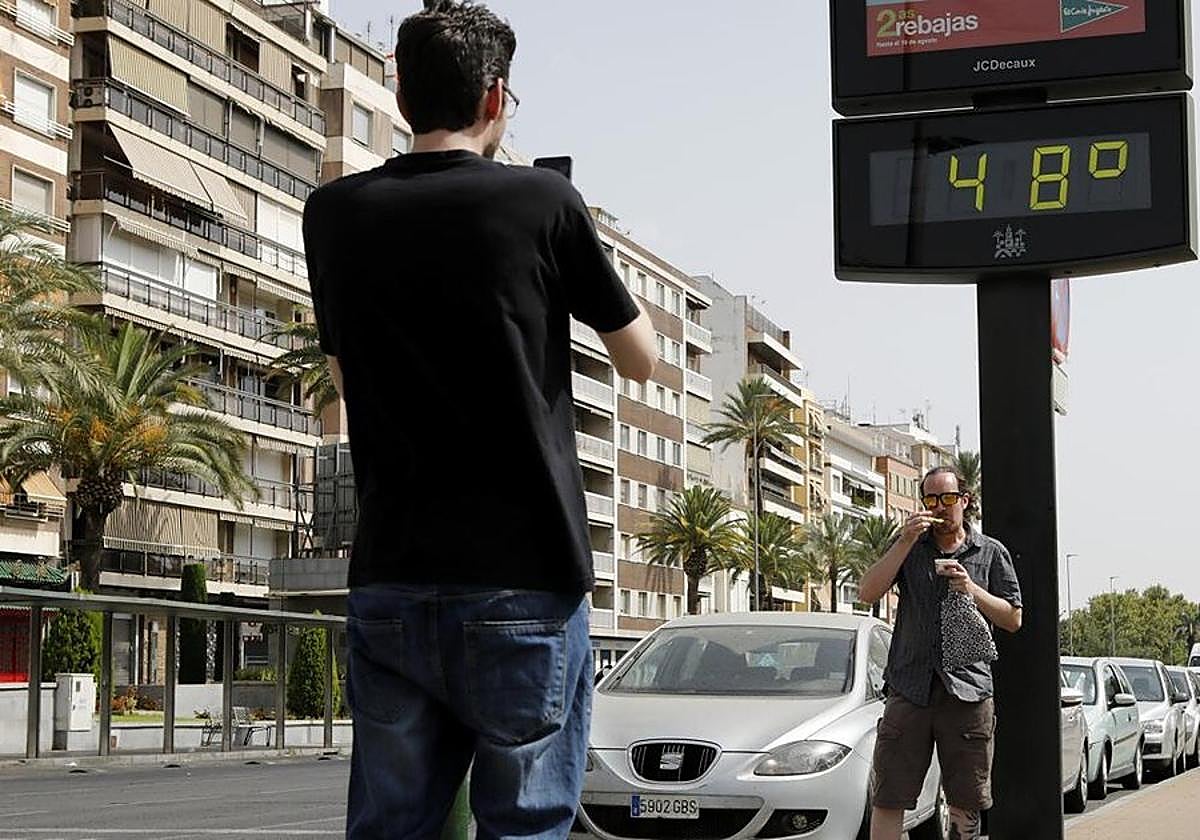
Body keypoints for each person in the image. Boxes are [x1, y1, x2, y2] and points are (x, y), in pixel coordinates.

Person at [301, 3, 656, 837]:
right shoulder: (543, 201)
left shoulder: (334, 212)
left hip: (389, 575)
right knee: (524, 823)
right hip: (523, 575)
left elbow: (343, 371)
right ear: (496, 99)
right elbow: (640, 357)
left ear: (399, 96)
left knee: (390, 825)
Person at [857, 466, 1023, 840]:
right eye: (931, 499)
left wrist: (972, 591)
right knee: (889, 795)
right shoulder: (910, 548)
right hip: (909, 689)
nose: (940, 507)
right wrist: (902, 542)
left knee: (966, 799)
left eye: (948, 498)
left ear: (964, 501)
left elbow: (1013, 618)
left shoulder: (990, 553)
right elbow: (867, 593)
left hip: (968, 692)